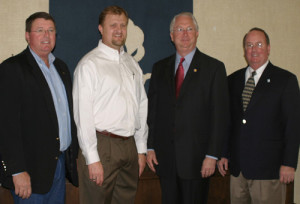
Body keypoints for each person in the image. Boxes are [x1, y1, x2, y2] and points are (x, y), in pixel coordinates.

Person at [146, 12, 230, 204]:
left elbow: (220, 116)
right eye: (179, 29)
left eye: (189, 29)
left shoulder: (214, 68)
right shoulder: (160, 68)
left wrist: (212, 155)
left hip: (198, 161)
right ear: (171, 35)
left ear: (197, 33)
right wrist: (150, 146)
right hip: (165, 159)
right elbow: (153, 112)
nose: (185, 34)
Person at [72, 5, 148, 204]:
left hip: (129, 145)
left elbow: (141, 107)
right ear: (100, 28)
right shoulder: (89, 65)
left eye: (122, 25)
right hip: (102, 145)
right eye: (113, 25)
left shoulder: (132, 64)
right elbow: (83, 115)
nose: (119, 30)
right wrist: (92, 157)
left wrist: (141, 149)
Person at [0, 12, 78, 203]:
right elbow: (6, 125)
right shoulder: (12, 68)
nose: (46, 35)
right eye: (40, 30)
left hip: (59, 165)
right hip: (29, 170)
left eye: (51, 30)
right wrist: (17, 170)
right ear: (27, 35)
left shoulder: (61, 67)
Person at [217, 27, 300, 204]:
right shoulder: (232, 80)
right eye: (249, 45)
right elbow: (228, 121)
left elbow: (293, 125)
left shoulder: (285, 80)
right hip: (238, 170)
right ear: (244, 50)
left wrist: (289, 163)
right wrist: (224, 153)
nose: (254, 49)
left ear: (268, 48)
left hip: (268, 170)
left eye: (259, 44)